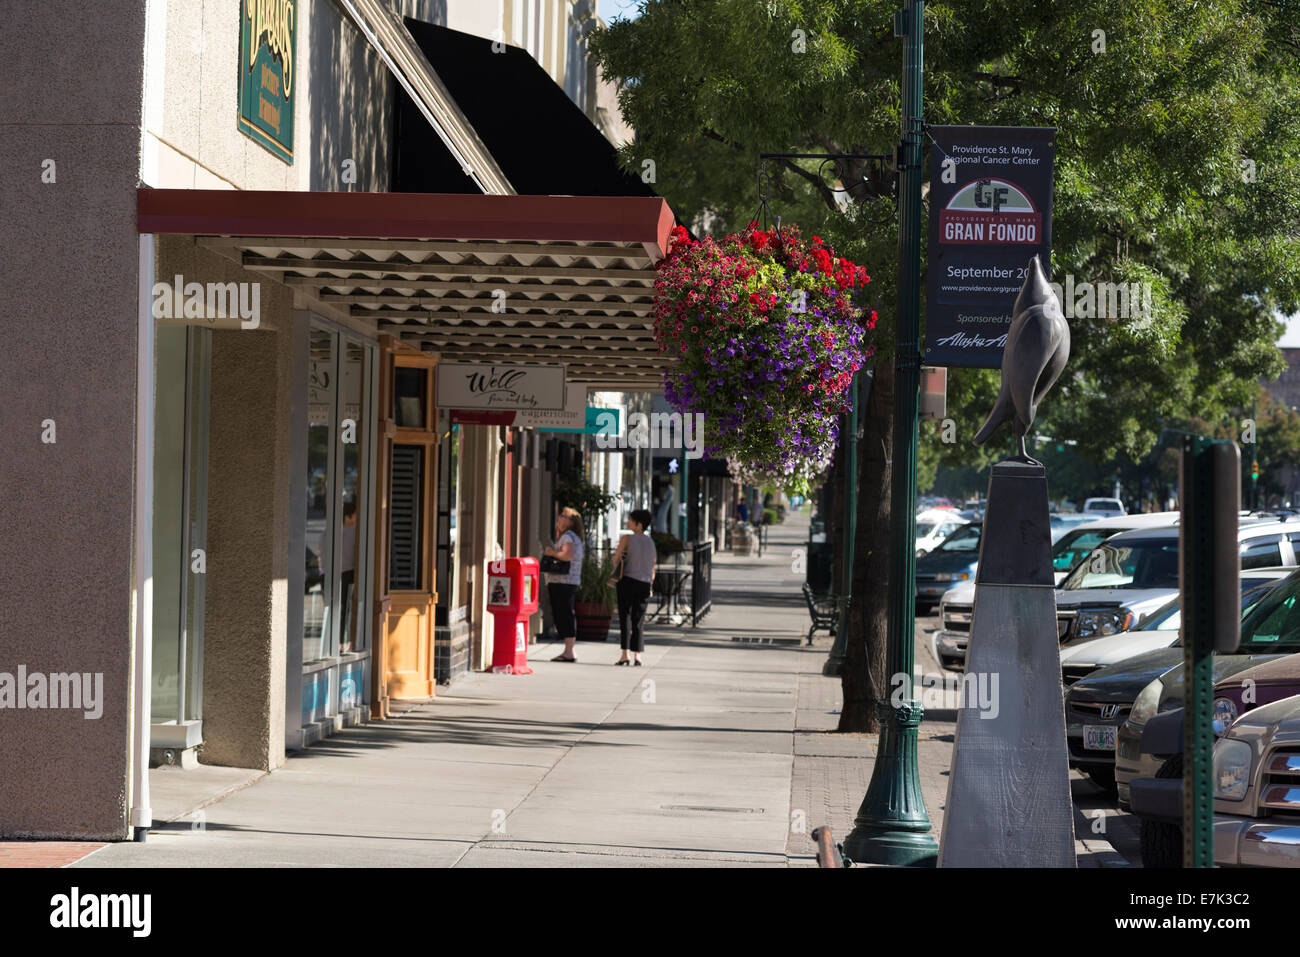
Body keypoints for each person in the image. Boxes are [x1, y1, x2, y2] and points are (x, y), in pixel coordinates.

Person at [609, 509, 656, 666]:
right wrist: (650, 585)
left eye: (630, 520)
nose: (628, 522)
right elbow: (652, 566)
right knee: (639, 620)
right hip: (644, 583)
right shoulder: (651, 542)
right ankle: (638, 655)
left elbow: (615, 560)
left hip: (627, 581)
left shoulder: (627, 539)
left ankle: (625, 654)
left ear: (638, 524)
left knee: (625, 618)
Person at [543, 507, 585, 662]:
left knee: (564, 613)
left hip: (562, 581)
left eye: (563, 516)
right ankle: (569, 650)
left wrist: (551, 552)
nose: (559, 518)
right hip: (569, 581)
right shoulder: (574, 537)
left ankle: (569, 651)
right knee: (565, 613)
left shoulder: (567, 537)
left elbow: (567, 555)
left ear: (570, 521)